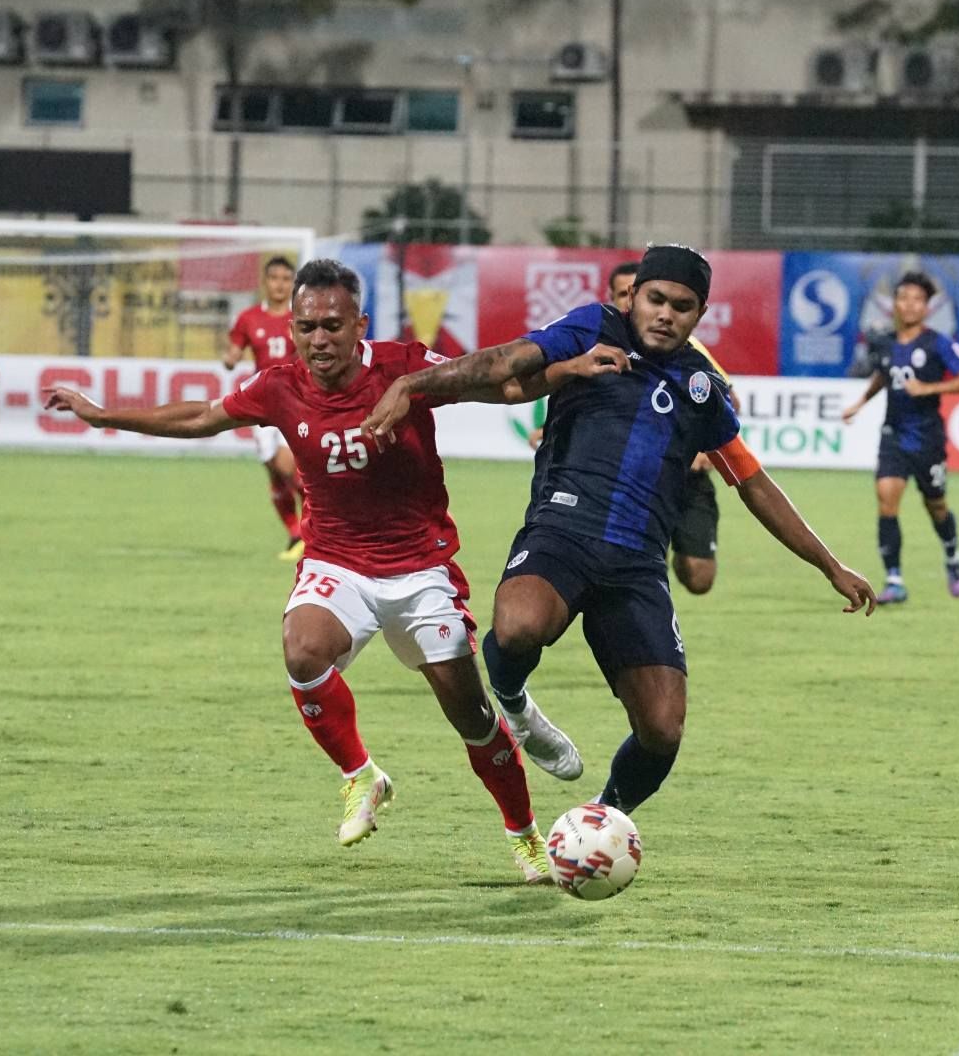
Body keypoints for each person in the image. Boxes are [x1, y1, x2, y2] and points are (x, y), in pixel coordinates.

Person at [44, 259, 610, 881]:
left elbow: (503, 386)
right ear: (292, 328)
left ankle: (524, 834)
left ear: (359, 324)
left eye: (333, 326)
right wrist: (106, 416)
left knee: (472, 718)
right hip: (337, 563)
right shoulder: (279, 386)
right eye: (307, 326)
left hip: (422, 574)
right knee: (302, 650)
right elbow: (204, 416)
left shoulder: (403, 366)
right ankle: (361, 776)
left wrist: (568, 372)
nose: (319, 340)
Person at [363, 244, 876, 816]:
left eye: (682, 306)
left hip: (636, 565)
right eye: (655, 298)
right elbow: (510, 361)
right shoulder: (590, 327)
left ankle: (600, 821)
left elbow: (752, 482)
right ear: (633, 297)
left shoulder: (702, 386)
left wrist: (831, 565)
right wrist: (413, 385)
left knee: (663, 729)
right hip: (562, 531)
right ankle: (513, 699)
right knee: (519, 626)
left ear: (698, 315)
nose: (665, 313)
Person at [529, 260, 735, 595]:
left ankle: (663, 541)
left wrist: (701, 448)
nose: (663, 312)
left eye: (676, 304)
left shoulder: (690, 352)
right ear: (624, 298)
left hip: (681, 479)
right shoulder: (595, 340)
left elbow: (725, 405)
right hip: (606, 492)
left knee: (699, 578)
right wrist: (544, 429)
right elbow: (559, 392)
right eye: (627, 294)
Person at [839, 273, 959, 605]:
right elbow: (884, 375)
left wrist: (929, 388)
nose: (909, 304)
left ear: (927, 307)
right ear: (894, 304)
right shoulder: (884, 342)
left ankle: (952, 555)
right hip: (894, 435)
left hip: (928, 439)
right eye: (903, 298)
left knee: (936, 506)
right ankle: (894, 580)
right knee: (886, 499)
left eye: (917, 299)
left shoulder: (938, 343)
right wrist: (859, 402)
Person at [223, 256, 306, 561]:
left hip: (295, 401)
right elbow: (233, 351)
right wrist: (229, 357)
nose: (280, 285)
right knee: (273, 471)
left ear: (292, 283)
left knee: (288, 467)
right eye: (275, 278)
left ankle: (313, 531)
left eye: (286, 279)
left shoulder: (301, 319)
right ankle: (296, 533)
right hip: (261, 404)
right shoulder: (249, 319)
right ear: (266, 282)